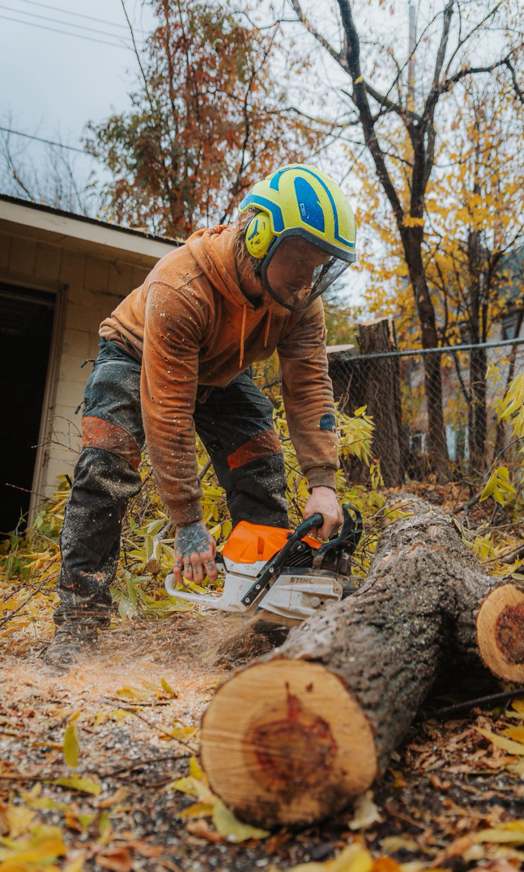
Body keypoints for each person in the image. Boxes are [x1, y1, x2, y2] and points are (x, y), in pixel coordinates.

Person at [44, 163, 357, 668]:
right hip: (135, 353)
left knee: (261, 466)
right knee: (106, 466)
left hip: (222, 372)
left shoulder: (300, 303)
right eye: (299, 260)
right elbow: (168, 411)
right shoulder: (181, 284)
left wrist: (322, 480)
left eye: (316, 265)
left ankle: (266, 621)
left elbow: (309, 386)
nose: (305, 279)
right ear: (259, 238)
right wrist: (188, 521)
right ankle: (79, 624)